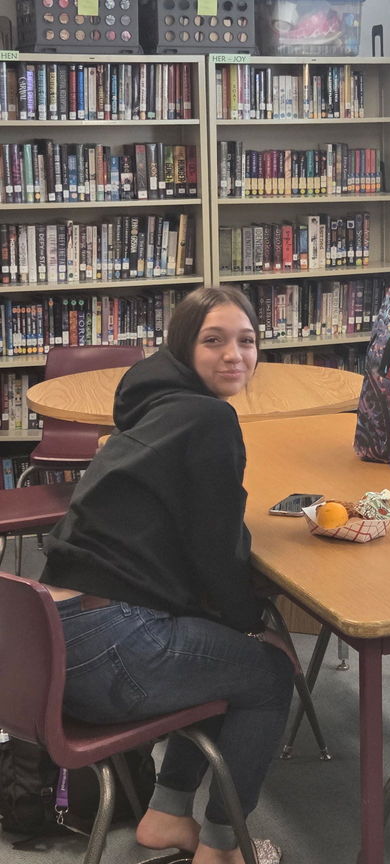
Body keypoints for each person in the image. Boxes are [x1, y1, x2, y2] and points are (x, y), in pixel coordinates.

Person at [40, 286, 293, 864]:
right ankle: (224, 849)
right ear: (184, 347)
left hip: (54, 638)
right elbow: (217, 546)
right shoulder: (208, 417)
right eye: (214, 341)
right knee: (270, 671)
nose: (235, 355)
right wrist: (251, 624)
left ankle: (166, 815)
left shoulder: (154, 403)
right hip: (106, 648)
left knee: (221, 648)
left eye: (247, 342)